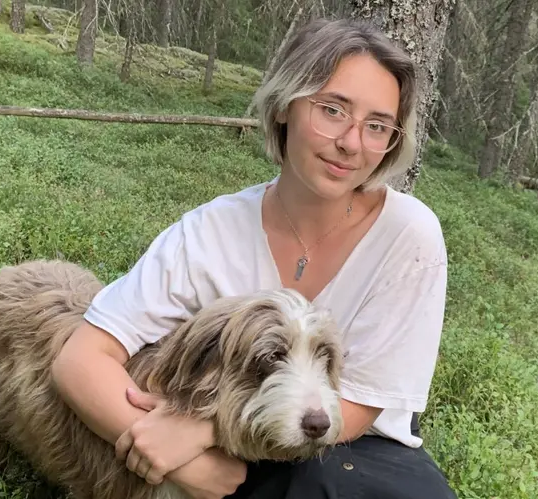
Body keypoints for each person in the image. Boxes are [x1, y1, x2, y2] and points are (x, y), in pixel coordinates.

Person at [50, 16, 457, 499]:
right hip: (238, 440)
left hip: (354, 440)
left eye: (377, 126)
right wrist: (173, 457)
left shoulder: (408, 234)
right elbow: (81, 359)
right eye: (332, 110)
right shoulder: (210, 231)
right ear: (285, 105)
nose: (351, 143)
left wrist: (205, 431)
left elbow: (363, 404)